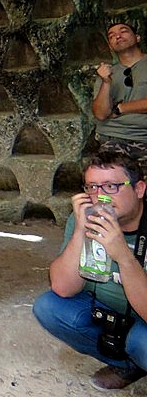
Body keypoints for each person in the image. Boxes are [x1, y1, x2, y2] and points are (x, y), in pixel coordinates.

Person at [33, 152, 147, 391]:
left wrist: (124, 256)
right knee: (49, 307)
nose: (101, 196)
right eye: (93, 187)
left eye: (111, 186)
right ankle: (128, 364)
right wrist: (80, 230)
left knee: (141, 342)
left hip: (142, 319)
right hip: (106, 310)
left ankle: (138, 355)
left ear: (139, 189)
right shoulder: (86, 217)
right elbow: (62, 288)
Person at [92, 22, 147, 172]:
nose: (118, 36)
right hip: (113, 136)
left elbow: (114, 110)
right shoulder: (106, 72)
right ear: (110, 46)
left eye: (123, 31)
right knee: (110, 181)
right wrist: (106, 82)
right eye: (112, 36)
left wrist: (120, 108)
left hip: (144, 135)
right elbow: (101, 114)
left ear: (137, 37)